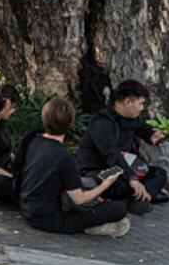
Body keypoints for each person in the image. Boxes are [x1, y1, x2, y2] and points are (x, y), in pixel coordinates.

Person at [19, 98, 130, 236]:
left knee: (92, 179)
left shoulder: (33, 140)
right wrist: (106, 184)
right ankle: (92, 227)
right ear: (71, 122)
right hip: (50, 219)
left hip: (26, 208)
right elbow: (80, 199)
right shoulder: (64, 157)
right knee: (118, 209)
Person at [76, 79, 169, 215]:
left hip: (122, 168)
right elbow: (111, 154)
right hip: (99, 170)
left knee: (159, 173)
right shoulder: (101, 122)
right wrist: (132, 178)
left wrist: (152, 135)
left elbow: (142, 128)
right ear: (127, 102)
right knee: (119, 184)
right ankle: (141, 197)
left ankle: (143, 199)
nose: (142, 108)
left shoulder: (132, 117)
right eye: (140, 104)